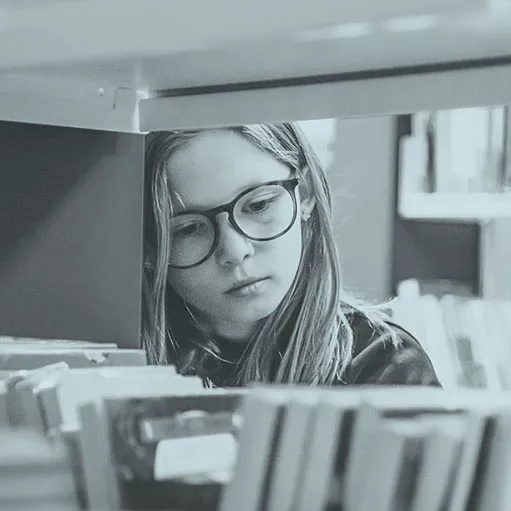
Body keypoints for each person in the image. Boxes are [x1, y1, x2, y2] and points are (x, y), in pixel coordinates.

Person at [142, 122, 440, 388]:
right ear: (151, 248)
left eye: (259, 205)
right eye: (189, 229)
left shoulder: (387, 368)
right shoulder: (124, 364)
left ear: (306, 192)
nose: (235, 251)